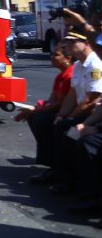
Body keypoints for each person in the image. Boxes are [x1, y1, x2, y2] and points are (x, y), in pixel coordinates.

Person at [41, 31, 102, 194]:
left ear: (86, 43)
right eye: (67, 42)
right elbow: (72, 94)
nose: (69, 46)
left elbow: (91, 99)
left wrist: (70, 118)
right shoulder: (77, 66)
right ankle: (57, 170)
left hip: (90, 114)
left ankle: (73, 181)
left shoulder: (95, 66)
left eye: (73, 42)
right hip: (80, 111)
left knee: (69, 133)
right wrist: (61, 115)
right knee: (47, 122)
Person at [24, 43, 75, 182]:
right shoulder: (60, 76)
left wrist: (36, 109)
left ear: (68, 58)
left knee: (42, 120)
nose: (52, 58)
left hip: (68, 112)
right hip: (59, 110)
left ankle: (56, 167)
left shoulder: (70, 75)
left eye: (56, 55)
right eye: (52, 54)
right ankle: (51, 164)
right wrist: (36, 107)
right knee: (35, 117)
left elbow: (59, 104)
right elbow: (52, 100)